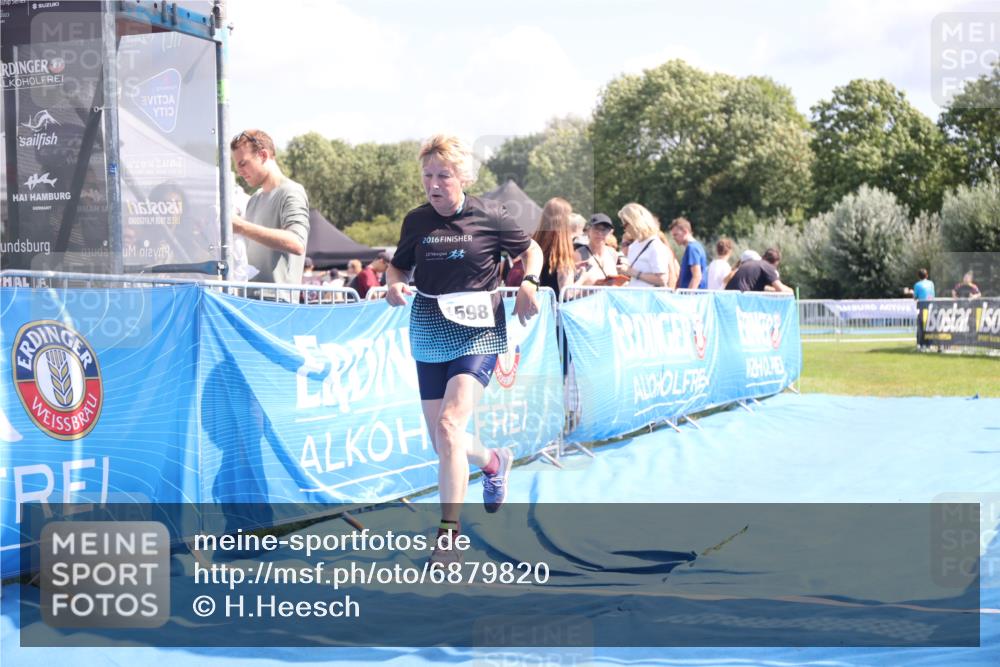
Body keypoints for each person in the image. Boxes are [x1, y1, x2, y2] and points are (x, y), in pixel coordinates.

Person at [385, 134, 543, 564]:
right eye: (427, 176)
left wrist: (528, 283)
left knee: (452, 427)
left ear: (464, 177)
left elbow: (533, 251)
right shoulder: (416, 221)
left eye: (444, 176)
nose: (434, 185)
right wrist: (394, 282)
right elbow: (399, 264)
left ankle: (449, 536)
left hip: (478, 332)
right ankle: (493, 461)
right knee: (444, 441)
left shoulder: (490, 216)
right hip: (430, 328)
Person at [230, 129, 309, 298]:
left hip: (277, 306)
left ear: (263, 155)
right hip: (249, 301)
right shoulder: (254, 199)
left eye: (243, 163)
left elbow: (297, 242)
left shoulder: (291, 192)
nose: (239, 171)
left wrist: (241, 227)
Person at [617, 203, 675, 288]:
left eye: (625, 224)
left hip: (650, 298)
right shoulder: (634, 245)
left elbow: (662, 279)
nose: (625, 229)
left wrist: (632, 272)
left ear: (635, 222)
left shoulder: (656, 246)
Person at [574, 213, 624, 286]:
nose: (600, 233)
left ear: (610, 232)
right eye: (596, 228)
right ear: (588, 230)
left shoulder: (613, 253)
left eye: (605, 229)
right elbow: (573, 286)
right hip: (586, 297)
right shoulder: (578, 254)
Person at [725, 247, 793, 293]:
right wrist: (791, 291)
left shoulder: (755, 264)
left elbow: (754, 285)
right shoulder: (767, 266)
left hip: (730, 297)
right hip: (741, 299)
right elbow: (781, 290)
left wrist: (773, 290)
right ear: (775, 263)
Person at [670, 217, 708, 290]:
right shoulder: (694, 247)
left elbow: (697, 276)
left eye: (676, 234)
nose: (674, 238)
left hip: (694, 298)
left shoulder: (692, 248)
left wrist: (688, 296)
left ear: (685, 231)